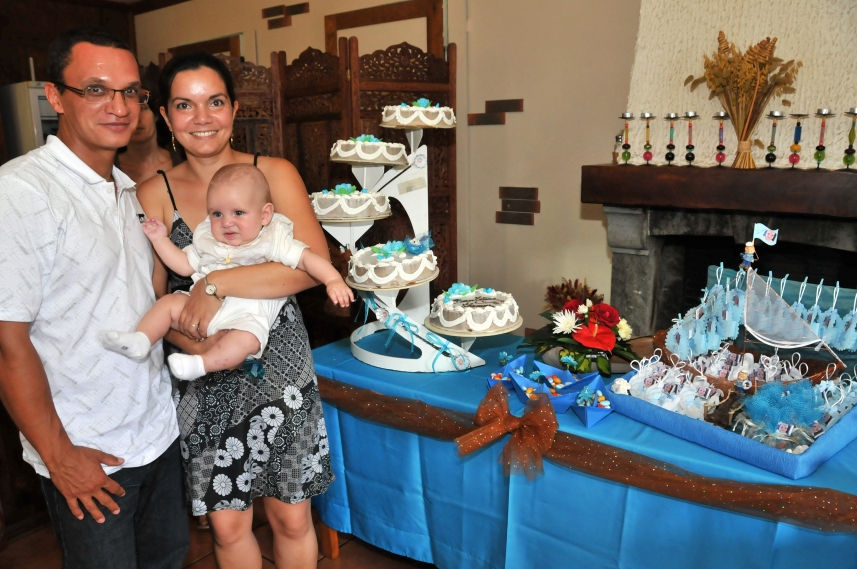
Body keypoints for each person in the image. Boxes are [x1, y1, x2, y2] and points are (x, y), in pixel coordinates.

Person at [136, 52, 334, 569]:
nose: (202, 117)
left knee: (292, 516)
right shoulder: (153, 192)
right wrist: (197, 342)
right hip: (201, 365)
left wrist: (215, 283)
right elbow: (151, 297)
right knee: (227, 525)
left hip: (279, 363)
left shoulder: (273, 173)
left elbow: (309, 267)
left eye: (215, 101)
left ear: (235, 108)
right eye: (185, 104)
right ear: (165, 116)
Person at [0, 27, 188, 569]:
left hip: (156, 432)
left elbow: (139, 302)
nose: (120, 107)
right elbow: (8, 342)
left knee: (167, 560)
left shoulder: (127, 189)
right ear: (56, 97)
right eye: (96, 90)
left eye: (131, 92)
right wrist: (60, 457)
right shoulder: (23, 191)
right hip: (88, 453)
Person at [102, 163, 354, 380]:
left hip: (246, 316)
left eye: (239, 213)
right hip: (199, 312)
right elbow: (183, 264)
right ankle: (142, 339)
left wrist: (332, 279)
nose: (227, 222)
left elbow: (308, 260)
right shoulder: (209, 240)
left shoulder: (272, 239)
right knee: (168, 304)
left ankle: (202, 365)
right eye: (217, 214)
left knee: (247, 341)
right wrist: (160, 240)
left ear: (265, 214)